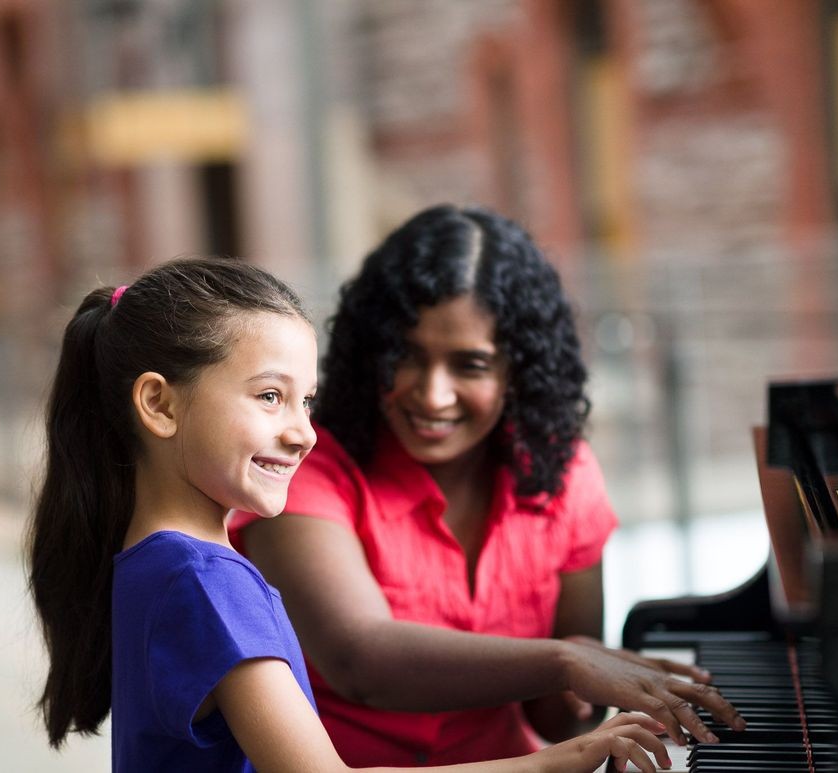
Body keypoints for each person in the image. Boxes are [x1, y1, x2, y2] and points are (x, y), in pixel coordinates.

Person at [26, 256, 674, 772]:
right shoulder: (207, 582)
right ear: (159, 405)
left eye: (306, 400)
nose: (304, 432)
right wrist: (556, 762)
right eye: (271, 396)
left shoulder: (152, 560)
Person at [230, 206, 746, 767]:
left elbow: (556, 720)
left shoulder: (562, 473)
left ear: (518, 372)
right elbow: (361, 662)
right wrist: (565, 661)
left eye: (470, 365)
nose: (432, 394)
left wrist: (599, 684)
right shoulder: (306, 464)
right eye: (406, 356)